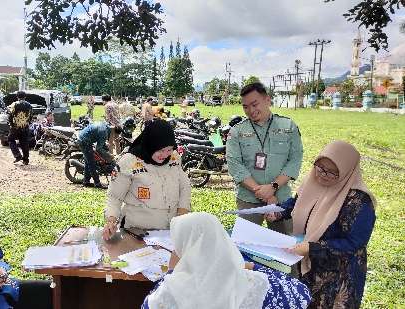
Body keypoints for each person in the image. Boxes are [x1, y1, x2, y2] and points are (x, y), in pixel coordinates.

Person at [265, 141, 376, 308]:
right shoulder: (313, 183)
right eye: (320, 167)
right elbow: (297, 203)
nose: (322, 175)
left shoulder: (359, 201)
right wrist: (278, 212)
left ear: (347, 172)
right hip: (310, 265)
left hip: (338, 274)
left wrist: (313, 248)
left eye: (332, 172)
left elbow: (354, 243)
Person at [142, 212, 311, 309]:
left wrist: (172, 272)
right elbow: (301, 293)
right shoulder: (255, 284)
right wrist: (252, 266)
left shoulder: (169, 292)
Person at [226, 82, 303, 234]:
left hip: (281, 199)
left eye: (254, 104)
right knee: (245, 245)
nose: (251, 111)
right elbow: (235, 164)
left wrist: (273, 188)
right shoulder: (237, 131)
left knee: (284, 246)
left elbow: (295, 160)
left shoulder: (288, 127)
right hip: (248, 200)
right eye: (245, 107)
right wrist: (262, 192)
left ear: (267, 100)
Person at [103, 119, 191, 240]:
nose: (165, 155)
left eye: (169, 149)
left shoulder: (174, 158)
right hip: (137, 232)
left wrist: (183, 212)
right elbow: (115, 196)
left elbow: (184, 186)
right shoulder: (129, 162)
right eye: (160, 150)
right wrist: (111, 219)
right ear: (150, 144)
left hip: (170, 232)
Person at [77, 121, 118, 189]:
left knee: (88, 162)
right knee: (91, 163)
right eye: (114, 136)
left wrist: (105, 148)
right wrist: (109, 156)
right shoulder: (104, 132)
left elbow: (100, 141)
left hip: (83, 137)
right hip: (84, 141)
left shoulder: (106, 126)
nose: (113, 138)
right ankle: (97, 183)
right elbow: (98, 148)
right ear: (113, 132)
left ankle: (86, 181)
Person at [8, 91, 33, 165]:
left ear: (17, 97)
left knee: (10, 139)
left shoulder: (14, 104)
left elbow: (10, 115)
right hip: (25, 126)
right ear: (25, 97)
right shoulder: (29, 105)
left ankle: (17, 155)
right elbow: (31, 116)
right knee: (24, 143)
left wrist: (11, 124)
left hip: (16, 126)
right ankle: (26, 160)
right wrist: (28, 123)